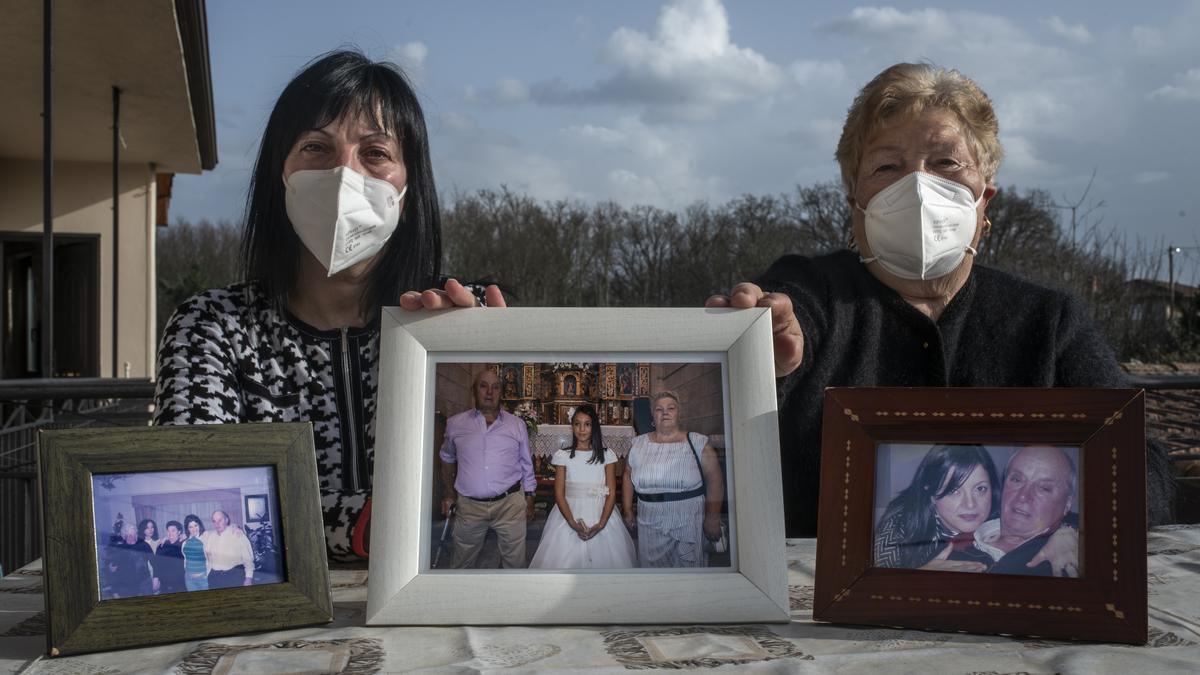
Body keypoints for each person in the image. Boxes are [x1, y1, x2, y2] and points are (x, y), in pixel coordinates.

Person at [706, 62, 1175, 536]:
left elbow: (1145, 477)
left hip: (1006, 601)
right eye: (888, 166)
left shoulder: (1049, 321)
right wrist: (761, 359)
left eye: (946, 163)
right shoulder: (815, 294)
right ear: (855, 206)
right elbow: (784, 324)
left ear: (984, 200)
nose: (917, 186)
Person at [152, 49, 504, 561]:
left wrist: (486, 351)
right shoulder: (212, 328)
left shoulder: (448, 320)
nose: (344, 175)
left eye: (376, 153)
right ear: (281, 174)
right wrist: (363, 525)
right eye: (316, 147)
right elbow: (197, 502)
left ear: (410, 186)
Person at [439, 369, 537, 568]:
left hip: (509, 504)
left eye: (495, 387)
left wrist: (529, 497)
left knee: (515, 564)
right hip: (470, 506)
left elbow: (526, 463)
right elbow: (447, 458)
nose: (489, 392)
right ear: (474, 390)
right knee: (461, 564)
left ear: (501, 392)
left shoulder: (516, 425)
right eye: (483, 386)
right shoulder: (455, 424)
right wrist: (449, 494)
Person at [622, 391, 724, 567]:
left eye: (671, 408)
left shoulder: (698, 443)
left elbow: (716, 480)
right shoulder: (638, 444)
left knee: (688, 573)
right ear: (653, 415)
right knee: (653, 573)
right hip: (649, 520)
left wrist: (713, 517)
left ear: (679, 413)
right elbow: (627, 475)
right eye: (659, 409)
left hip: (688, 519)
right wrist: (627, 509)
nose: (665, 412)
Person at [529, 404, 636, 569]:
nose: (582, 429)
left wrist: (601, 523)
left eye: (587, 424)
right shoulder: (563, 456)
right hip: (569, 512)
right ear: (572, 426)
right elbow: (559, 493)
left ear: (594, 427)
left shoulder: (607, 455)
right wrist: (571, 522)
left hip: (601, 512)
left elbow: (611, 492)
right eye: (577, 424)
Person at [958, 445, 1080, 577]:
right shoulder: (953, 544)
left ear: (1067, 503)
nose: (1023, 496)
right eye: (1016, 480)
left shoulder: (1071, 559)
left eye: (1044, 488)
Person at [204, 510, 255, 589]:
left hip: (234, 576)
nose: (217, 524)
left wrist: (248, 578)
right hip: (214, 578)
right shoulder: (211, 536)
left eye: (220, 520)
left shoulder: (237, 534)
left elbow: (248, 559)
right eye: (214, 521)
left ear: (226, 520)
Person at [105, 522, 154, 599]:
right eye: (129, 535)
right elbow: (113, 571)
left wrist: (156, 577)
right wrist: (114, 591)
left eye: (134, 534)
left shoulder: (144, 545)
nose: (132, 537)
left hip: (145, 583)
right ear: (124, 536)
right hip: (128, 586)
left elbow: (154, 562)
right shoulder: (119, 549)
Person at [153, 520, 187, 594]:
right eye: (168, 531)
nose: (170, 533)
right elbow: (156, 564)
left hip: (180, 585)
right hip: (164, 585)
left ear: (179, 532)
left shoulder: (183, 545)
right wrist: (155, 578)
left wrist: (186, 537)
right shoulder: (161, 546)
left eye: (173, 531)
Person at [181, 514, 209, 592]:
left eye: (195, 525)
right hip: (189, 579)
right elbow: (185, 560)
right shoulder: (185, 542)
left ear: (199, 525)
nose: (194, 529)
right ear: (187, 528)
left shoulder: (205, 538)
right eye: (190, 527)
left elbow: (209, 560)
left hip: (203, 579)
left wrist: (235, 527)